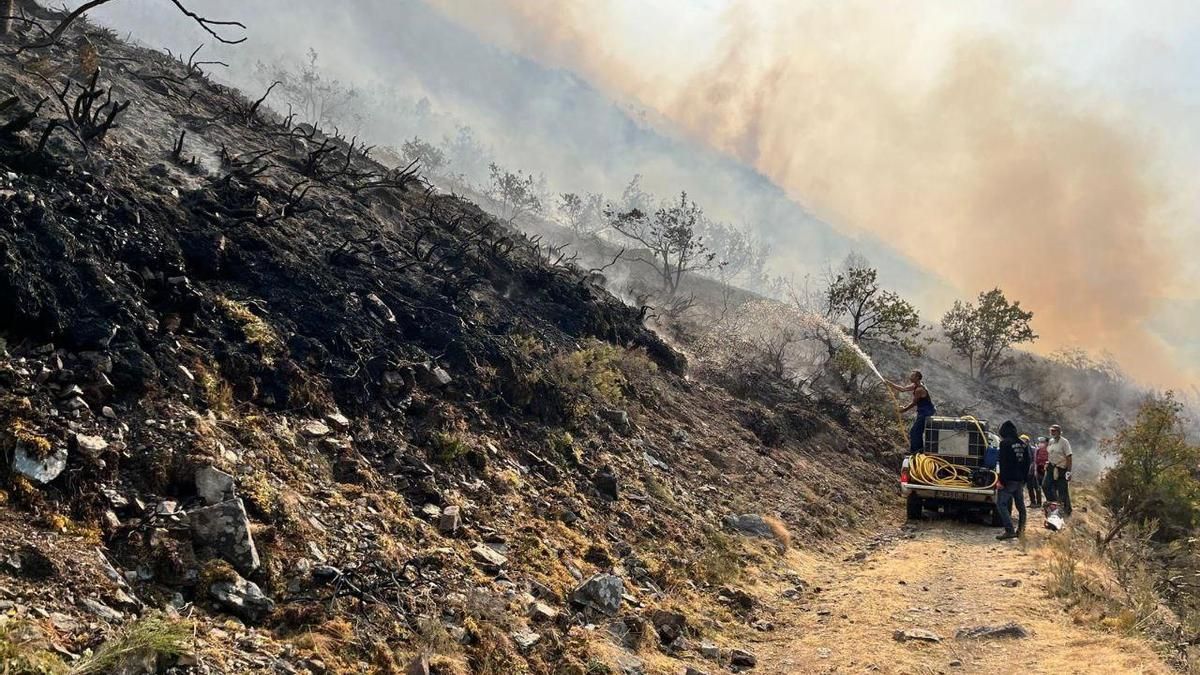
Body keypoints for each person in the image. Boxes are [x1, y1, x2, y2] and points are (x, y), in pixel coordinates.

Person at [995, 421, 1031, 540]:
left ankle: (1009, 530)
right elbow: (1027, 463)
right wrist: (1024, 479)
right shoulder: (1023, 444)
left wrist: (1001, 480)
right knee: (1020, 506)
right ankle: (1021, 530)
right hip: (1019, 480)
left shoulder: (1004, 443)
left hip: (1008, 480)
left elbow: (1004, 463)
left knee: (1001, 504)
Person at [887, 370, 935, 454]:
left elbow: (914, 403)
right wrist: (889, 383)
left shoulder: (919, 389)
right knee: (917, 431)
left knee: (915, 431)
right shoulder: (915, 385)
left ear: (917, 378)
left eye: (912, 376)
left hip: (926, 412)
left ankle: (916, 452)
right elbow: (903, 389)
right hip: (924, 411)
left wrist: (904, 410)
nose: (910, 377)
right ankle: (919, 451)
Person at [1043, 424, 1073, 515]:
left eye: (1054, 431)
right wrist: (1048, 462)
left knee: (1062, 489)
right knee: (1045, 486)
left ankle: (1066, 510)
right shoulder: (1051, 441)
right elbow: (1050, 453)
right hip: (1051, 467)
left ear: (1059, 432)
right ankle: (1053, 504)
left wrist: (1069, 471)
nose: (1052, 432)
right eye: (1051, 430)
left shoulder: (1064, 442)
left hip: (1061, 468)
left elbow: (1069, 456)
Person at [1028, 436, 1048, 507]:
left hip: (1045, 469)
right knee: (1035, 486)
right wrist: (1035, 470)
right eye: (1040, 442)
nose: (1041, 443)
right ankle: (1036, 502)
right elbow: (1035, 460)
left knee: (1043, 486)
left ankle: (1046, 502)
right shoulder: (1037, 449)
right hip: (1036, 469)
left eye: (1042, 442)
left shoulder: (1049, 450)